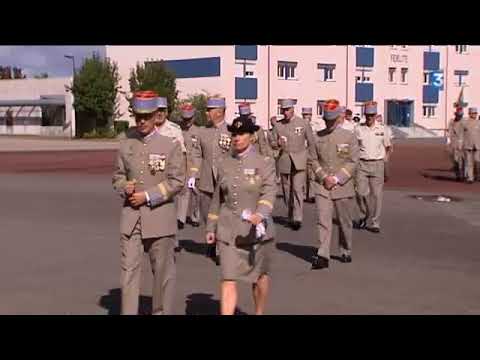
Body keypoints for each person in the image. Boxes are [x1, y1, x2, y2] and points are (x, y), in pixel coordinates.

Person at [112, 90, 186, 315]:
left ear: (157, 115)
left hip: (160, 219)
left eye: (147, 116)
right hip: (131, 220)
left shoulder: (170, 144)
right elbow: (117, 176)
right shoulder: (126, 144)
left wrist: (147, 196)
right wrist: (124, 186)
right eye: (138, 116)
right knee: (129, 273)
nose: (142, 121)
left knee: (162, 275)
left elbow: (176, 181)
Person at [205, 116, 276, 315]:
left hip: (256, 232)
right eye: (234, 134)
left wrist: (260, 214)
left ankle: (259, 311)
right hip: (228, 231)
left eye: (242, 133)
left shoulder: (264, 162)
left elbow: (269, 192)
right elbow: (217, 199)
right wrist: (211, 227)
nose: (236, 138)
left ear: (252, 136)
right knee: (228, 279)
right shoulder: (224, 162)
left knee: (259, 278)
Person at [310, 99, 359, 269]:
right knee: (323, 220)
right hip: (323, 186)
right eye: (326, 120)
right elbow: (313, 160)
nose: (329, 123)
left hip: (342, 187)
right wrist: (323, 177)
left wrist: (337, 178)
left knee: (344, 222)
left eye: (332, 120)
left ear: (339, 118)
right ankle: (323, 254)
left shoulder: (349, 137)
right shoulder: (318, 137)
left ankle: (345, 249)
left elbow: (353, 162)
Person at [192, 97, 231, 264]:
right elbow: (197, 155)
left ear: (219, 111)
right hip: (207, 180)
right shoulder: (202, 132)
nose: (206, 113)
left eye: (209, 110)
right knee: (208, 214)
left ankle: (221, 249)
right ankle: (212, 240)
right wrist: (193, 175)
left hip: (225, 181)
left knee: (223, 215)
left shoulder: (232, 131)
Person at [269, 99, 316, 230]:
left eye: (287, 110)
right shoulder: (278, 125)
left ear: (292, 109)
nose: (285, 113)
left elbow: (311, 141)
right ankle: (290, 213)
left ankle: (297, 217)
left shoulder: (303, 123)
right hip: (284, 159)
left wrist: (312, 159)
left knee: (297, 188)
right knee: (286, 190)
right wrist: (277, 143)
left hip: (300, 159)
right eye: (283, 110)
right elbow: (271, 142)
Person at [354, 101, 393, 233]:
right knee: (360, 193)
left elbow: (388, 148)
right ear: (364, 115)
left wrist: (386, 163)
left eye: (372, 115)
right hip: (362, 164)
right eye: (367, 115)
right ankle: (364, 215)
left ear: (376, 115)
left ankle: (375, 222)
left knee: (377, 195)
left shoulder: (383, 129)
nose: (369, 117)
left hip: (377, 164)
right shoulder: (358, 129)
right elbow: (354, 147)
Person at [177, 103, 202, 229]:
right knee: (183, 191)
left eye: (189, 119)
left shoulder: (198, 131)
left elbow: (200, 152)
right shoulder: (178, 130)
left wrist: (196, 169)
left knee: (196, 192)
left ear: (193, 118)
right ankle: (180, 218)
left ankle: (195, 216)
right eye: (184, 119)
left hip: (195, 165)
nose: (186, 122)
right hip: (182, 165)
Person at [460, 107, 480, 183]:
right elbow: (461, 134)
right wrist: (460, 143)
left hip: (478, 146)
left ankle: (477, 176)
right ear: (469, 114)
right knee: (469, 162)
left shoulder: (479, 122)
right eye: (473, 113)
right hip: (468, 145)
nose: (475, 114)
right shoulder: (465, 123)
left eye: (476, 113)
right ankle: (470, 178)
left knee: (477, 161)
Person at [302, 107, 316, 203]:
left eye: (308, 115)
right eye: (305, 115)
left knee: (312, 175)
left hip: (312, 152)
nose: (307, 117)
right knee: (303, 175)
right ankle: (303, 194)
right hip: (302, 152)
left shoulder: (315, 126)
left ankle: (311, 194)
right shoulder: (300, 126)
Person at [447, 107, 465, 182]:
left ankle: (463, 175)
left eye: (460, 115)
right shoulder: (452, 122)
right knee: (456, 160)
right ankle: (458, 175)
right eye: (458, 115)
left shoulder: (464, 122)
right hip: (454, 144)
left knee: (464, 161)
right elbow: (450, 132)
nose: (459, 116)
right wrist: (448, 141)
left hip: (464, 144)